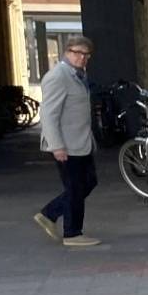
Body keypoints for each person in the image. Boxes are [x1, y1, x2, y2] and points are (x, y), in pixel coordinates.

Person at [35, 35, 101, 247]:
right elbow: (49, 115)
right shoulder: (58, 76)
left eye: (86, 55)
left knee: (88, 182)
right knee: (74, 187)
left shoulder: (78, 75)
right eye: (78, 53)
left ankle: (50, 213)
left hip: (81, 142)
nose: (82, 58)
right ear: (67, 52)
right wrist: (57, 146)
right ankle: (72, 233)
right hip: (67, 144)